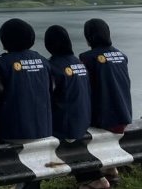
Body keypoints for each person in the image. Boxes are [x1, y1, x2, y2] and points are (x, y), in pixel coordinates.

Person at [45, 25, 107, 189]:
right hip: (83, 122)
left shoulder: (53, 67)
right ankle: (95, 179)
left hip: (65, 126)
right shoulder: (79, 63)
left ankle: (95, 180)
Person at [0, 18, 52, 189]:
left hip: (12, 131)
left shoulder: (1, 63)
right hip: (43, 130)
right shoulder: (43, 61)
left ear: (5, 41)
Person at [80, 19, 132, 187]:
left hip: (104, 119)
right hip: (123, 116)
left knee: (71, 135)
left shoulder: (87, 58)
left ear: (89, 37)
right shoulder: (121, 55)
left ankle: (93, 180)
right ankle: (111, 170)